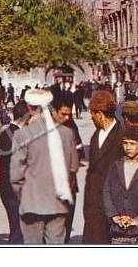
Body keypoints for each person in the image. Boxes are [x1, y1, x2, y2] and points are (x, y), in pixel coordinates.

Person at [11, 89, 79, 244]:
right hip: (58, 202)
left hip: (32, 202)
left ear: (29, 107)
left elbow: (16, 174)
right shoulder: (67, 133)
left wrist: (23, 194)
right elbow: (73, 168)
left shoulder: (23, 134)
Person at [82, 90, 125, 244]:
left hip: (113, 204)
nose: (91, 118)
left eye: (92, 115)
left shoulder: (122, 136)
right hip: (94, 203)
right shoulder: (96, 136)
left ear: (99, 113)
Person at [50, 94, 82, 242]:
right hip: (49, 189)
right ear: (53, 112)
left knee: (66, 229)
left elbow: (79, 154)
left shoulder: (71, 127)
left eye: (69, 114)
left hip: (69, 187)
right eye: (63, 114)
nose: (67, 118)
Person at [0, 101, 30, 243]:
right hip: (15, 187)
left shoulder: (5, 132)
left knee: (15, 227)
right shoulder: (19, 135)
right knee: (18, 231)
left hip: (5, 185)